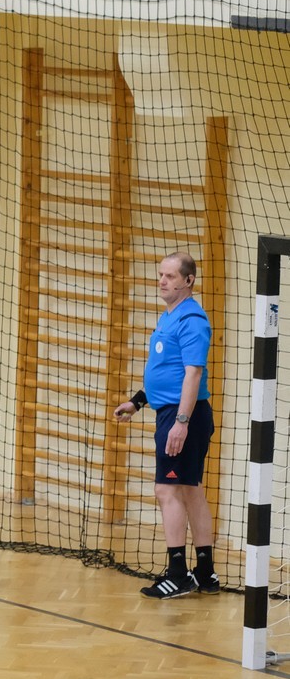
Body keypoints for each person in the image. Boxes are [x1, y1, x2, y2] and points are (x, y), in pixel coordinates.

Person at [113, 251, 218, 599]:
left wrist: (181, 423)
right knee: (190, 490)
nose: (162, 281)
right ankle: (205, 573)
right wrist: (137, 402)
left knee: (166, 491)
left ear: (188, 281)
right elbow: (166, 371)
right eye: (161, 274)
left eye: (170, 276)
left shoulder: (192, 321)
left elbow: (193, 374)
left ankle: (178, 574)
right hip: (172, 412)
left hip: (183, 415)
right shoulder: (169, 316)